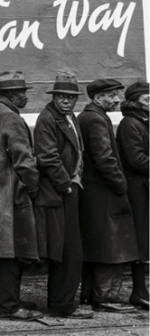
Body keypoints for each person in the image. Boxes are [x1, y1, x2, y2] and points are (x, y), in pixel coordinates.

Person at [0, 71, 43, 322]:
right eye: (22, 92)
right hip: (13, 197)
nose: (25, 95)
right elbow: (25, 162)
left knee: (6, 252)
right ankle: (9, 305)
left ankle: (10, 300)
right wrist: (34, 188)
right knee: (13, 253)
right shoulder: (11, 119)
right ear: (12, 94)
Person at [32, 75, 94, 319]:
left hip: (71, 188)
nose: (66, 101)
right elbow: (47, 156)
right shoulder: (48, 119)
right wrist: (66, 185)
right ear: (54, 98)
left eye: (70, 98)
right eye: (61, 97)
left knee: (70, 250)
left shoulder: (69, 118)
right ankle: (63, 304)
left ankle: (63, 301)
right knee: (67, 251)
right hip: (60, 193)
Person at [78, 78, 139, 312]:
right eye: (112, 95)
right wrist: (121, 185)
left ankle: (90, 295)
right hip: (105, 193)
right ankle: (106, 298)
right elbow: (105, 159)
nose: (116, 99)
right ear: (97, 98)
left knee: (97, 246)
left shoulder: (87, 116)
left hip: (94, 193)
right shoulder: (96, 119)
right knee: (110, 247)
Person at [116, 81, 149, 310]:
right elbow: (136, 159)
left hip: (145, 188)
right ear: (135, 102)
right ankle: (139, 291)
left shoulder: (143, 122)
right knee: (141, 241)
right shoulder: (130, 124)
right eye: (147, 100)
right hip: (139, 191)